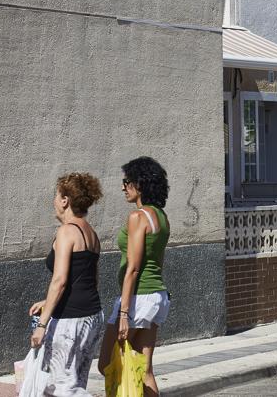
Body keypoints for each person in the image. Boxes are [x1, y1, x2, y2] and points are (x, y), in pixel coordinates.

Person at [99, 156, 171, 397]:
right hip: (157, 296)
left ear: (140, 184)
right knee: (144, 370)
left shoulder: (137, 217)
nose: (123, 187)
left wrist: (123, 313)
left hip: (138, 298)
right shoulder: (160, 216)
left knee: (107, 364)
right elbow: (158, 261)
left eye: (126, 181)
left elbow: (133, 268)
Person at [28, 172, 104, 397]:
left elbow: (60, 280)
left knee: (60, 388)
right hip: (91, 316)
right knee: (73, 383)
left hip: (71, 319)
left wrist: (41, 325)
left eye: (56, 195)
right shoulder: (91, 233)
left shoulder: (66, 232)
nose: (53, 200)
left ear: (65, 200)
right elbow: (88, 278)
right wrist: (47, 301)